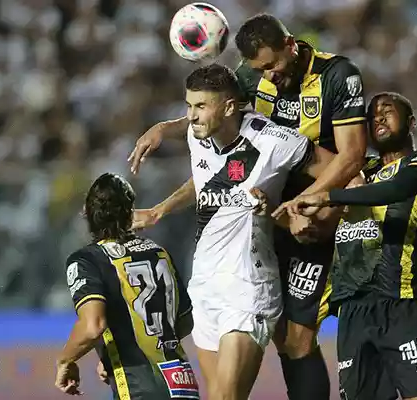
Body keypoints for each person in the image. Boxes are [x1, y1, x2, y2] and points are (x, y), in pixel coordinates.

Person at [129, 14, 368, 399]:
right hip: (262, 215)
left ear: (291, 46)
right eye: (260, 70)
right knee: (284, 340)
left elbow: (351, 157)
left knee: (298, 339)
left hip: (315, 210)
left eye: (272, 65)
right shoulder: (249, 79)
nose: (268, 76)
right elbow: (213, 116)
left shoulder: (337, 76)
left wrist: (307, 201)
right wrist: (166, 129)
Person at [145, 63, 335, 400]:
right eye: (189, 106)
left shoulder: (274, 140)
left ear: (229, 106)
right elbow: (207, 181)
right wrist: (161, 208)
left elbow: (339, 169)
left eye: (201, 106)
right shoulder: (197, 136)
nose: (191, 116)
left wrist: (306, 208)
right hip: (205, 285)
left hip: (248, 288)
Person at [273, 92, 417, 400]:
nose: (378, 118)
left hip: (402, 299)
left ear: (411, 122)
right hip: (352, 307)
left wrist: (329, 195)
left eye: (387, 112)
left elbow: (396, 189)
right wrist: (282, 213)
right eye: (371, 117)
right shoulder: (354, 172)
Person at [54, 173, 198, 400]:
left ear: (87, 213)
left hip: (138, 386)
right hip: (182, 384)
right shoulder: (158, 252)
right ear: (130, 213)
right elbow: (185, 322)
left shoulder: (88, 260)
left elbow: (93, 326)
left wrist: (65, 360)